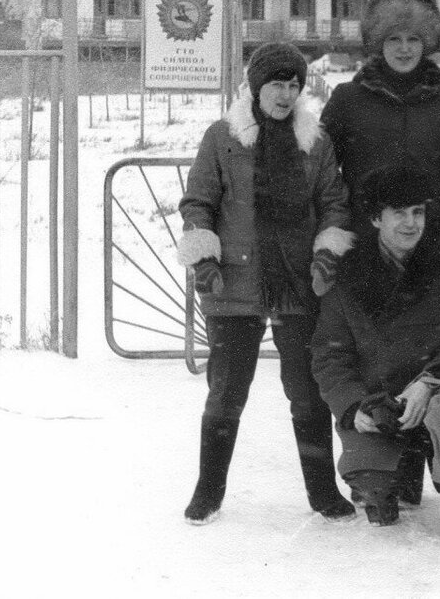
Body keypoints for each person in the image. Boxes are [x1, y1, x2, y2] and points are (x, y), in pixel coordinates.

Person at [176, 42, 357, 525]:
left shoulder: (314, 142)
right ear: (256, 86)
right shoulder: (223, 137)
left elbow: (334, 203)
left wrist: (326, 251)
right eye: (277, 82)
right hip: (232, 282)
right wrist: (204, 253)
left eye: (295, 84)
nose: (286, 92)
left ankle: (323, 493)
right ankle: (207, 492)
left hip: (299, 283)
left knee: (308, 390)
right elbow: (198, 202)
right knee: (227, 391)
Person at [310, 163, 440, 545]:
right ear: (377, 218)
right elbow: (330, 356)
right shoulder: (349, 274)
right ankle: (396, 472)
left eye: (418, 212)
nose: (411, 224)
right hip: (380, 402)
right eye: (399, 213)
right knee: (375, 497)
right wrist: (354, 407)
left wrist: (429, 383)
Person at [321, 0, 440, 251]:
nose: (404, 48)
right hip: (365, 244)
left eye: (413, 39)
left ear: (427, 42)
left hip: (432, 245)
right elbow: (323, 173)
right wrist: (347, 221)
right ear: (378, 42)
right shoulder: (348, 100)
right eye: (394, 39)